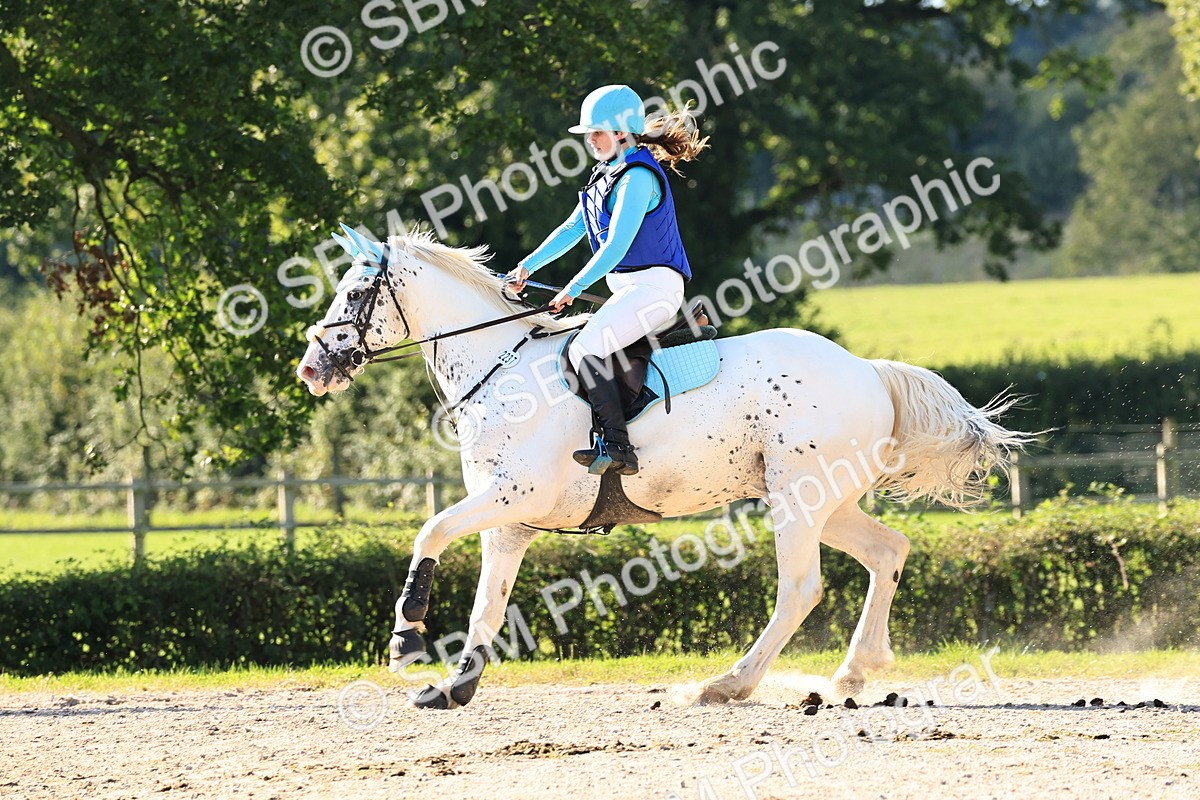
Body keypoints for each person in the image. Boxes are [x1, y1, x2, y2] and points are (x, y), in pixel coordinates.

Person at [507, 84, 707, 475]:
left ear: (620, 132)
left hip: (655, 289)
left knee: (584, 351)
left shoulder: (637, 178)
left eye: (596, 132)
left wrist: (573, 288)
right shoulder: (607, 173)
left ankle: (618, 448)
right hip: (631, 289)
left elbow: (615, 246)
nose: (591, 140)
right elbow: (571, 230)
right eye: (590, 134)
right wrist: (526, 266)